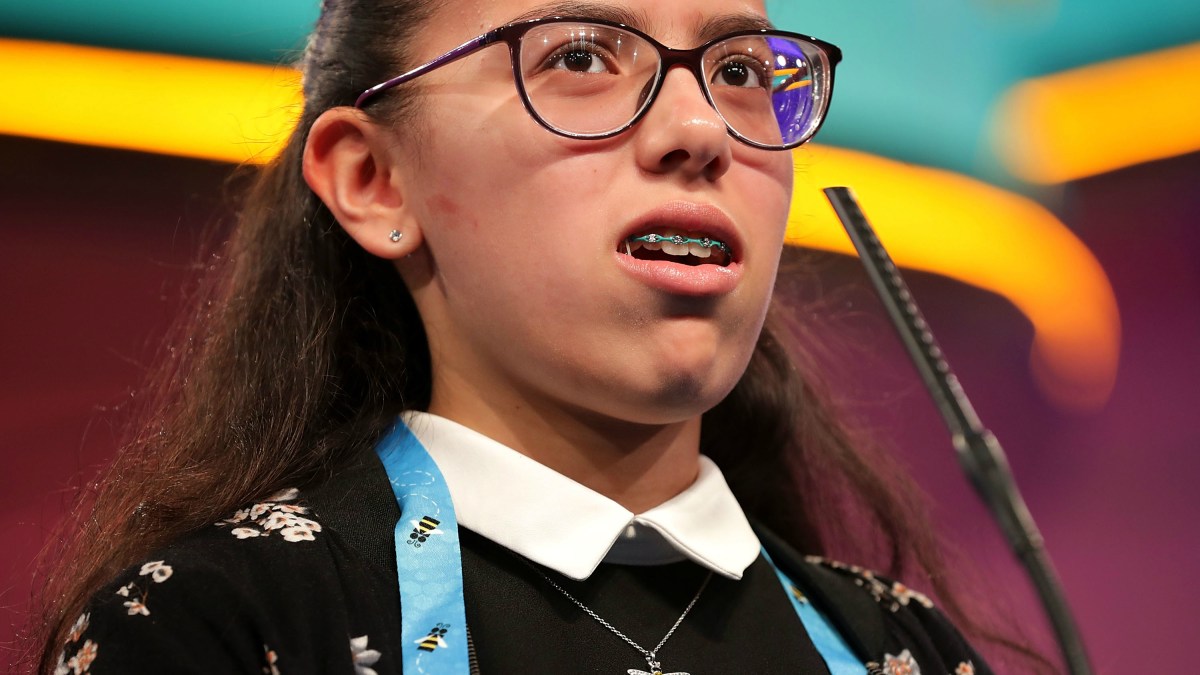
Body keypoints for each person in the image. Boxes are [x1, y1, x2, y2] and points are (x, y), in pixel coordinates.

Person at [26, 0, 1044, 673]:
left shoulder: (901, 651)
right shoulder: (220, 629)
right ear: (375, 180)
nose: (702, 130)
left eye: (740, 68)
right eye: (582, 56)